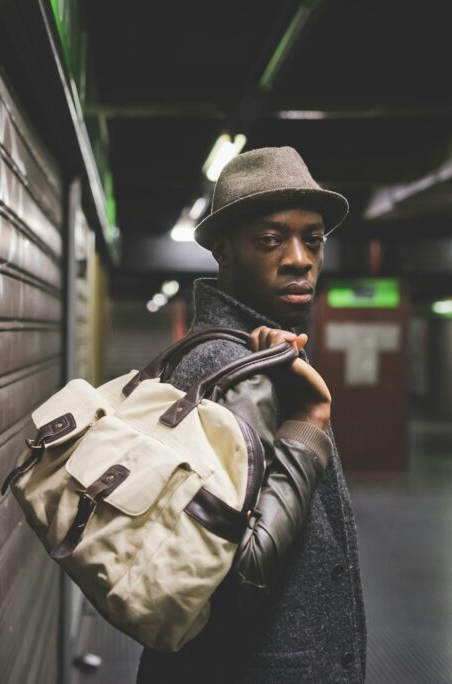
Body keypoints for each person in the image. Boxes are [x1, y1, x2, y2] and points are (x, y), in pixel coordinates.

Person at [137, 147, 366, 683]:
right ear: (225, 252)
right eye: (271, 240)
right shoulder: (225, 366)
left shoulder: (252, 353)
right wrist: (309, 423)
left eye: (313, 240)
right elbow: (238, 574)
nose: (299, 259)